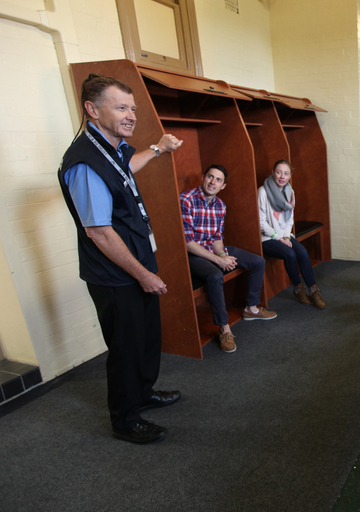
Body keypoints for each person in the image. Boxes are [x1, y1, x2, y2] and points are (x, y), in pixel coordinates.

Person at [57, 73, 183, 444]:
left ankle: (142, 394)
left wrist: (158, 148)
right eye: (121, 107)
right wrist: (143, 274)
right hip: (116, 275)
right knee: (126, 348)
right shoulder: (83, 161)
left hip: (134, 263)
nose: (131, 115)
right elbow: (98, 231)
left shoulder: (112, 146)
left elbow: (126, 170)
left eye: (132, 108)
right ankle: (125, 420)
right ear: (92, 110)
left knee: (145, 338)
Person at [180, 164, 277, 354]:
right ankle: (224, 328)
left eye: (218, 180)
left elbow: (217, 238)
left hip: (213, 249)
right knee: (215, 275)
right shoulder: (187, 200)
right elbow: (188, 243)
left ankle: (251, 308)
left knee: (257, 261)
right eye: (210, 177)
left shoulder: (220, 205)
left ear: (223, 186)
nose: (212, 182)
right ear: (203, 177)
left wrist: (223, 254)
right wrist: (219, 261)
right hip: (193, 253)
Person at [258, 160, 326, 309]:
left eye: (286, 173)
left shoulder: (290, 192)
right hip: (268, 237)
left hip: (285, 235)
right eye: (278, 172)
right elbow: (262, 223)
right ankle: (298, 288)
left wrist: (287, 236)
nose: (282, 176)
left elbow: (290, 218)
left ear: (290, 176)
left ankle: (313, 290)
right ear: (273, 173)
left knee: (302, 251)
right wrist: (278, 237)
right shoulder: (263, 192)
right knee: (290, 254)